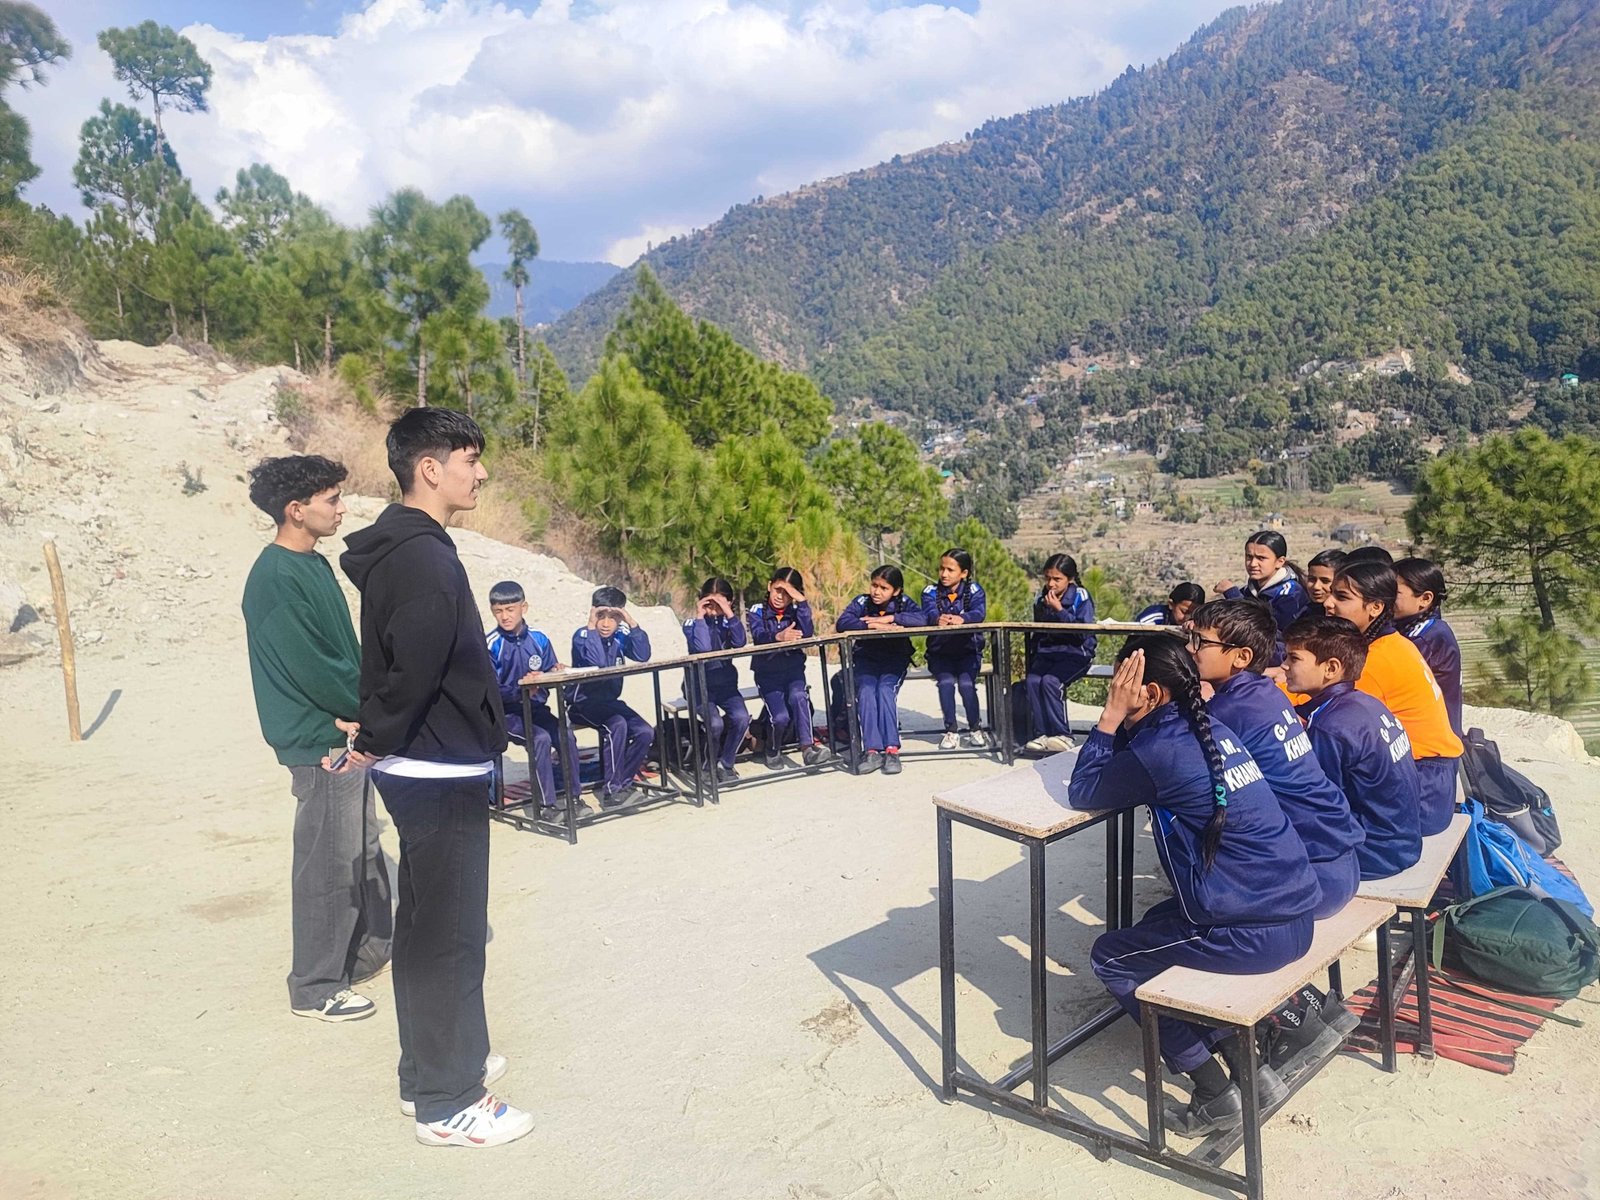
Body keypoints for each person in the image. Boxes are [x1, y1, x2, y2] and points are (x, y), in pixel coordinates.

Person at [336, 408, 531, 1148]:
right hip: (437, 765)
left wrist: (378, 738)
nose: (480, 473)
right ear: (430, 467)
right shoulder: (423, 558)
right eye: (469, 459)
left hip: (423, 763)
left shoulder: (408, 548)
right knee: (451, 935)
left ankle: (430, 1070)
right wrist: (376, 737)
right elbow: (412, 670)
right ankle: (451, 1101)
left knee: (424, 930)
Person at [1067, 637, 1321, 1137]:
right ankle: (1251, 1070)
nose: (1116, 690)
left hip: (1251, 932)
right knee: (1154, 924)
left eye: (1122, 683)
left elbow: (1083, 790)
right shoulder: (1207, 728)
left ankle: (1212, 1090)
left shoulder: (1158, 750)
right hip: (1292, 914)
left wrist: (1110, 718)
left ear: (1151, 693)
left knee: (1111, 957)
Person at [242, 454, 392, 1025]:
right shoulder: (275, 577)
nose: (341, 508)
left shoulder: (313, 564)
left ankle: (367, 951)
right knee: (328, 862)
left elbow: (342, 652)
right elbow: (312, 666)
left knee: (362, 847)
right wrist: (364, 709)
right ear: (295, 510)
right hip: (320, 739)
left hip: (346, 729)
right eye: (331, 499)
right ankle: (315, 985)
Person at [1186, 600, 1364, 919]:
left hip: (1308, 880)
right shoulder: (1266, 693)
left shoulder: (1227, 711)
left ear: (1242, 657)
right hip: (1342, 863)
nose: (1190, 648)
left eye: (1200, 641)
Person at [1324, 560, 1463, 836]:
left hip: (1420, 792)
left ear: (1375, 607)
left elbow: (1328, 711)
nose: (1328, 603)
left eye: (1342, 597)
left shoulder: (1374, 661)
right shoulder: (1394, 644)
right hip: (1433, 782)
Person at [1282, 614, 1423, 880]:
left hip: (1374, 851)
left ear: (1331, 668)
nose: (1284, 665)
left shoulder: (1330, 727)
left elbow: (1321, 807)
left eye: (1294, 658)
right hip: (1403, 841)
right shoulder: (1365, 702)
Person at [485, 580, 588, 822]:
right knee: (540, 739)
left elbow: (549, 671)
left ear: (524, 607)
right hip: (506, 714)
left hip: (537, 709)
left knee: (565, 735)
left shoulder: (539, 639)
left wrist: (554, 673)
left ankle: (574, 797)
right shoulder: (491, 644)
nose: (505, 616)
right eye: (499, 611)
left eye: (510, 609)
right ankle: (546, 805)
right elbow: (489, 690)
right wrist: (522, 689)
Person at [835, 564, 928, 775]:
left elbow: (923, 619)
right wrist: (871, 625)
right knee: (866, 691)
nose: (876, 592)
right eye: (874, 585)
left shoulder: (904, 603)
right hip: (866, 661)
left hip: (894, 662)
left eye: (884, 588)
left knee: (885, 691)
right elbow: (843, 622)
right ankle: (871, 750)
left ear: (896, 591)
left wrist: (891, 619)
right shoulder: (862, 602)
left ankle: (892, 750)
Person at [570, 586, 655, 810]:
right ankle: (612, 792)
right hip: (583, 704)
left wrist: (631, 622)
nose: (606, 623)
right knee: (617, 725)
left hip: (610, 702)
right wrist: (591, 625)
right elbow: (598, 662)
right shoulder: (582, 636)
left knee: (645, 732)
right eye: (601, 616)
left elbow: (643, 655)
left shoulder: (620, 636)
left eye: (613, 617)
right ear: (593, 613)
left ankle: (623, 783)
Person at [747, 568, 832, 768]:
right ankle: (772, 749)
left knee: (799, 697)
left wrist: (801, 602)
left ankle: (808, 749)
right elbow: (758, 635)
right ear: (769, 586)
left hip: (793, 671)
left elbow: (807, 633)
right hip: (767, 674)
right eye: (778, 590)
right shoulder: (757, 610)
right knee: (780, 717)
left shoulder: (795, 611)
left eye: (787, 593)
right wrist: (778, 637)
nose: (780, 597)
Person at [1023, 553, 1096, 753]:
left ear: (1069, 579)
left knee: (1051, 682)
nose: (1051, 584)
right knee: (1032, 681)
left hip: (1076, 654)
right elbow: (1039, 630)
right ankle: (1042, 733)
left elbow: (1082, 632)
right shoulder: (1041, 598)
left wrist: (1059, 611)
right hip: (1048, 652)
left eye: (1057, 579)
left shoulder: (1080, 596)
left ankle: (1062, 734)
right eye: (1048, 578)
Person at [683, 577, 753, 783]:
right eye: (709, 604)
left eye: (719, 604)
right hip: (699, 687)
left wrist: (728, 612)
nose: (714, 610)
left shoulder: (729, 623)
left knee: (741, 718)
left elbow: (740, 642)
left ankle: (726, 763)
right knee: (715, 724)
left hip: (726, 685)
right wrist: (700, 615)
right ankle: (707, 764)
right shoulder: (691, 624)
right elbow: (703, 648)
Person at [921, 548, 990, 750]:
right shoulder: (930, 591)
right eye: (942, 569)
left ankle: (975, 727)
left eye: (950, 570)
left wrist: (963, 619)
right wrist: (937, 619)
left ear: (964, 573)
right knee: (946, 683)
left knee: (967, 685)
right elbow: (928, 612)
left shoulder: (974, 590)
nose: (944, 574)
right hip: (940, 653)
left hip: (968, 652)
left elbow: (979, 612)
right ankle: (951, 730)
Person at [1393, 557, 1464, 737]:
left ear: (1425, 599)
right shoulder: (1425, 628)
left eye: (1394, 593)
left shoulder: (1425, 638)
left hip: (1433, 739)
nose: (1386, 598)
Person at [1213, 531, 1308, 664]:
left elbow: (1269, 631)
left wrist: (1233, 594)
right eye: (1249, 557)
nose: (1252, 563)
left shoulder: (1290, 594)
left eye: (1261, 558)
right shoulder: (1250, 589)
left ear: (1279, 562)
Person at [1136, 582, 1205, 626]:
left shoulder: (1201, 623)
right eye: (1184, 612)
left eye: (1194, 614)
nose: (1188, 618)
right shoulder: (1153, 619)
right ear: (1171, 604)